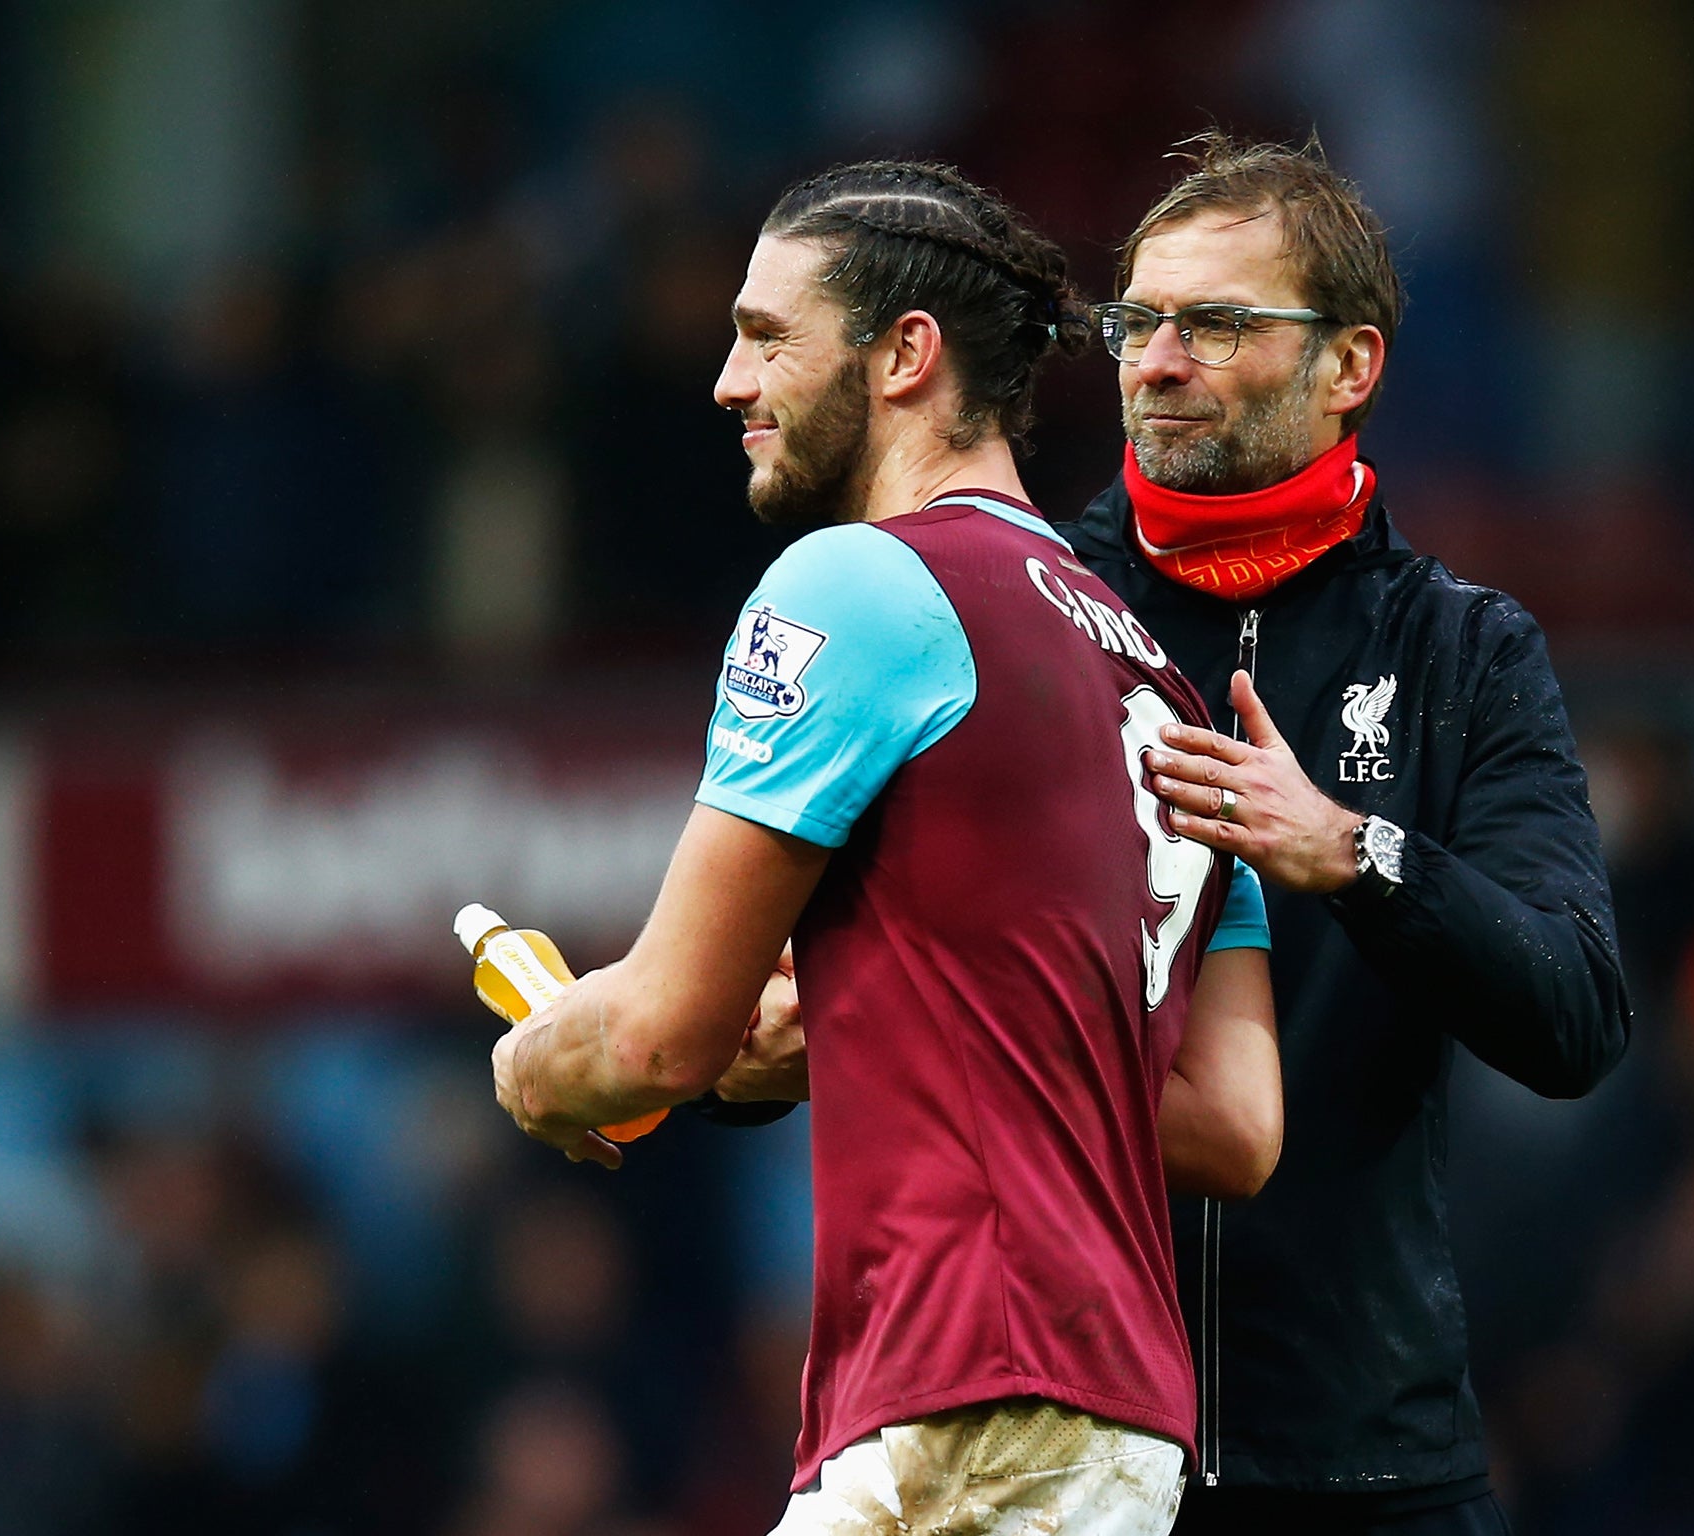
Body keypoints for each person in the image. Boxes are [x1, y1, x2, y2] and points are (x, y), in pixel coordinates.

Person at [487, 159, 1281, 1536]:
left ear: (906, 354)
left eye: (768, 336)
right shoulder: (1162, 685)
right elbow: (1232, 1122)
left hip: (964, 1409)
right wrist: (892, 1025)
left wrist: (541, 1064)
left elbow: (663, 1039)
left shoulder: (859, 586)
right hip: (1113, 1425)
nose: (731, 383)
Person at [1060, 133, 1633, 1534]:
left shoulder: (1463, 653)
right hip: (1056, 1446)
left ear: (1351, 367)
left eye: (1217, 323)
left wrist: (1353, 854)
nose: (1159, 360)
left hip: (1361, 1462)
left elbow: (1575, 1014)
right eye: (1139, 322)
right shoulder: (1019, 615)